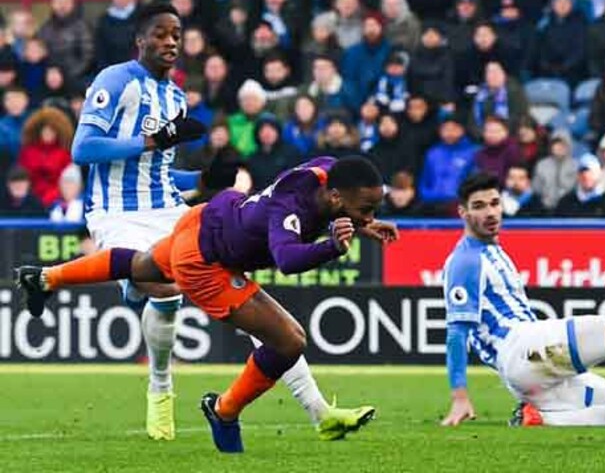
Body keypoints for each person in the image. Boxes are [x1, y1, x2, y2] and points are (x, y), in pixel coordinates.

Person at [15, 156, 396, 452]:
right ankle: (224, 410)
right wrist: (333, 245)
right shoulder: (290, 209)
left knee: (141, 264)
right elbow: (288, 260)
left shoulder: (326, 173)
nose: (369, 216)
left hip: (205, 219)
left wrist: (361, 225)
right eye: (365, 210)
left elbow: (332, 182)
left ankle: (46, 277)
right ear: (334, 198)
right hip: (207, 264)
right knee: (289, 340)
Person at [68, 3, 207, 441]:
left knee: (233, 268)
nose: (170, 42)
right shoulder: (116, 79)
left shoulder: (177, 98)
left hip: (164, 208)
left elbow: (160, 173)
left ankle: (315, 405)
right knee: (164, 286)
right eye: (161, 34)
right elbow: (83, 150)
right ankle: (161, 385)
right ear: (140, 41)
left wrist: (207, 181)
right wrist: (150, 139)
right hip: (116, 212)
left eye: (177, 35)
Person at [440, 173, 605, 428]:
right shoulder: (466, 261)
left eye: (495, 203)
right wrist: (459, 396)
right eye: (479, 206)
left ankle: (540, 419)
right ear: (462, 212)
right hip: (521, 348)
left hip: (532, 372)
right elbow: (456, 333)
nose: (490, 212)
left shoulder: (492, 250)